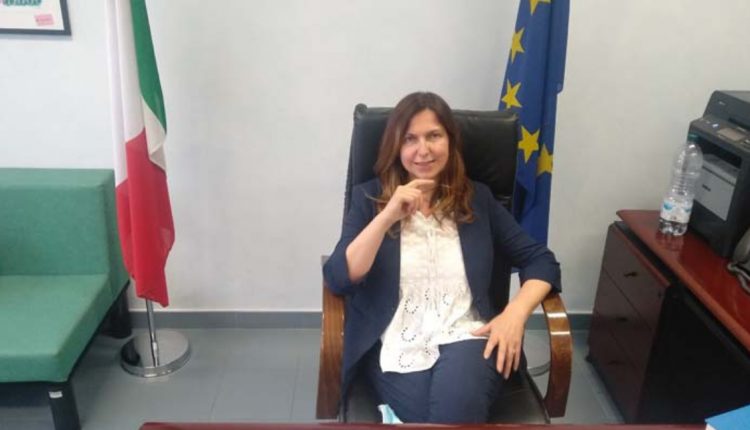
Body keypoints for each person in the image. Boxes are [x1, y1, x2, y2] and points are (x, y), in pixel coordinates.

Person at [323, 92, 561, 423]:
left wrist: (515, 314)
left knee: (455, 410)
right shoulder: (369, 198)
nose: (423, 150)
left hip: (468, 335)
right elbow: (340, 277)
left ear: (450, 141)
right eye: (410, 139)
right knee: (432, 417)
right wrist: (386, 216)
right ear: (396, 147)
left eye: (434, 136)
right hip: (396, 341)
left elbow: (540, 260)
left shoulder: (477, 199)